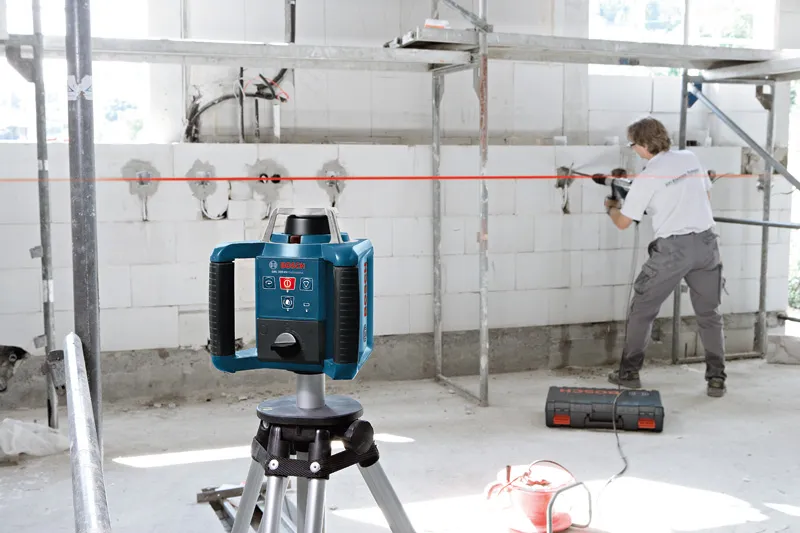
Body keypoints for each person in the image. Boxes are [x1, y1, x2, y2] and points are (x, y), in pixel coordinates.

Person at [603, 117, 727, 398]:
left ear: (644, 145)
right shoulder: (689, 157)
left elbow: (623, 223)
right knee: (709, 314)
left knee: (642, 311)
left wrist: (610, 207)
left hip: (673, 251)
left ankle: (629, 373)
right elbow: (703, 198)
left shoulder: (647, 177)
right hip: (707, 244)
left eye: (633, 145)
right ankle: (717, 379)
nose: (633, 150)